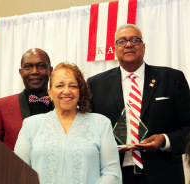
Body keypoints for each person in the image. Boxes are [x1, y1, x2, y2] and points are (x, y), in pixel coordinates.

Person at [87, 24, 190, 184]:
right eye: (122, 41)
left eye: (135, 40)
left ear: (144, 47)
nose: (128, 44)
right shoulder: (95, 85)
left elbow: (187, 128)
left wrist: (164, 139)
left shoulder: (172, 79)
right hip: (115, 176)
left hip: (164, 175)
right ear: (114, 48)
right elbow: (88, 133)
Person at [14, 62, 122, 184]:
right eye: (59, 86)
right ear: (50, 93)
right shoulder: (31, 125)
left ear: (80, 92)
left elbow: (111, 173)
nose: (66, 91)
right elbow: (19, 174)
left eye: (73, 86)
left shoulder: (101, 123)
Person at [0, 48, 54, 150]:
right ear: (21, 72)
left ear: (50, 70)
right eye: (28, 67)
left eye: (41, 66)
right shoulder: (0, 107)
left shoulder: (64, 106)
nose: (35, 71)